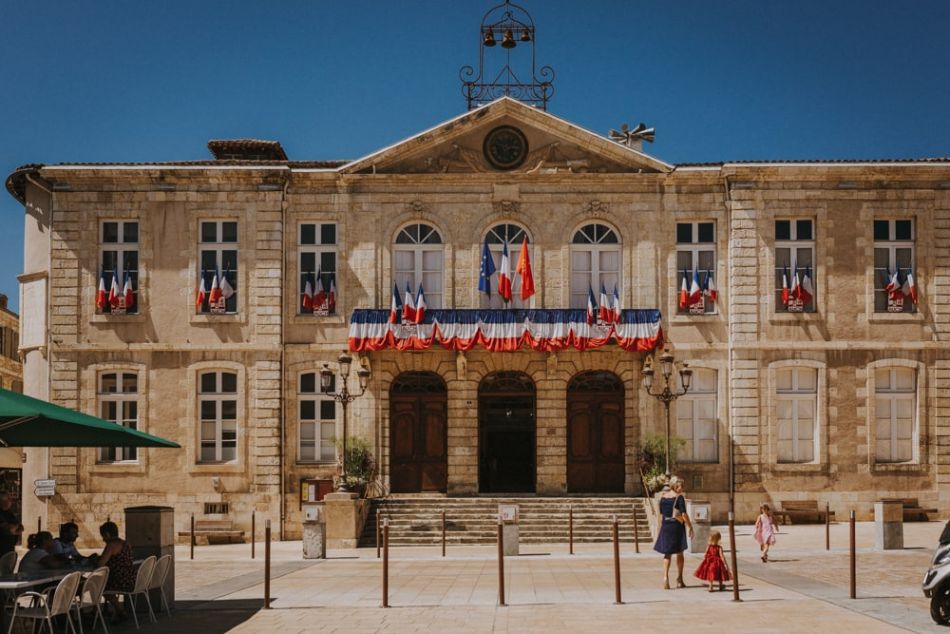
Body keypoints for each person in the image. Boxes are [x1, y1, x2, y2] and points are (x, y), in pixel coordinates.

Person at [653, 475, 694, 589]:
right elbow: (684, 515)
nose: (682, 488)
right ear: (675, 486)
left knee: (667, 553)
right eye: (681, 486)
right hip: (676, 527)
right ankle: (679, 579)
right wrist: (690, 526)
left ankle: (665, 577)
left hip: (666, 526)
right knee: (680, 553)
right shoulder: (679, 498)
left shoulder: (663, 497)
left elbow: (661, 514)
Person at [92, 521, 135, 623]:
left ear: (107, 534)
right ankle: (112, 611)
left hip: (119, 580)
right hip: (130, 577)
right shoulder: (125, 543)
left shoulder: (111, 545)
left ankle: (120, 611)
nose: (103, 539)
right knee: (100, 584)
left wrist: (94, 559)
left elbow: (100, 564)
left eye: (103, 536)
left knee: (97, 586)